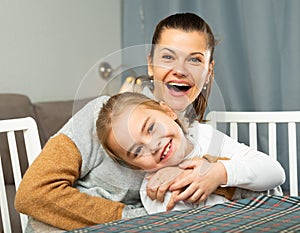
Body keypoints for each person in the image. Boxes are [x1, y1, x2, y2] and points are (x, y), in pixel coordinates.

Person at [15, 12, 286, 231]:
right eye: (168, 57)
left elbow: (261, 180)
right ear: (150, 63)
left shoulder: (201, 138)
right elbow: (33, 193)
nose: (180, 70)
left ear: (209, 70)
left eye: (194, 60)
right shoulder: (101, 116)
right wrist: (135, 219)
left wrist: (211, 171)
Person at [96, 92, 284, 214]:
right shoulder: (157, 189)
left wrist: (218, 173)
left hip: (275, 213)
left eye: (151, 127)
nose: (152, 146)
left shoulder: (204, 136)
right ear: (134, 166)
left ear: (168, 111)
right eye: (137, 151)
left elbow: (276, 173)